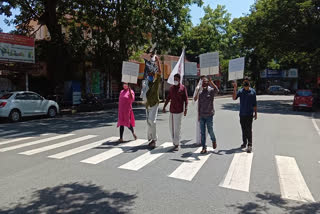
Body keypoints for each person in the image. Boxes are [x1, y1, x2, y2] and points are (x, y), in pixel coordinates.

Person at [162, 73, 188, 151]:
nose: (175, 80)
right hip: (172, 111)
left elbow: (186, 99)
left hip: (179, 111)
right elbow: (168, 98)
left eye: (176, 79)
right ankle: (174, 141)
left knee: (177, 128)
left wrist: (186, 109)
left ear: (179, 79)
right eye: (174, 79)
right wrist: (164, 107)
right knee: (171, 127)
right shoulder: (171, 88)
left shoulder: (183, 88)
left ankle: (177, 144)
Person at [194, 77, 219, 154]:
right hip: (202, 115)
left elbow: (217, 90)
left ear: (208, 83)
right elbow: (197, 102)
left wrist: (212, 82)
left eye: (206, 82)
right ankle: (204, 147)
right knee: (202, 132)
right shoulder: (200, 93)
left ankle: (213, 140)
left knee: (210, 130)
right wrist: (197, 91)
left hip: (209, 115)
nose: (204, 83)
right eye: (203, 82)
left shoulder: (211, 91)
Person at [232, 78, 257, 153]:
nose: (246, 86)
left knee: (249, 129)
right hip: (242, 114)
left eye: (247, 84)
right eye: (245, 84)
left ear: (249, 83)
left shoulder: (253, 91)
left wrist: (256, 114)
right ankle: (244, 142)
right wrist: (235, 88)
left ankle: (249, 144)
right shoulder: (241, 91)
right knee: (243, 129)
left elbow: (255, 104)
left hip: (249, 114)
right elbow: (234, 98)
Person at [145, 55, 162, 149]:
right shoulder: (147, 84)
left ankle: (154, 140)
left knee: (153, 121)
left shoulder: (156, 82)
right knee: (149, 122)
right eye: (149, 75)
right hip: (148, 105)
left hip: (155, 103)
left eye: (152, 75)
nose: (150, 76)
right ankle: (151, 139)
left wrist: (158, 61)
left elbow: (160, 72)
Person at [193, 76, 209, 146]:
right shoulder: (198, 88)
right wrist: (198, 90)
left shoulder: (209, 89)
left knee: (206, 125)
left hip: (207, 110)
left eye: (205, 80)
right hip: (200, 109)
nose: (203, 82)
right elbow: (195, 99)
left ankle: (204, 140)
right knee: (199, 125)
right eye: (202, 80)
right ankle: (199, 140)